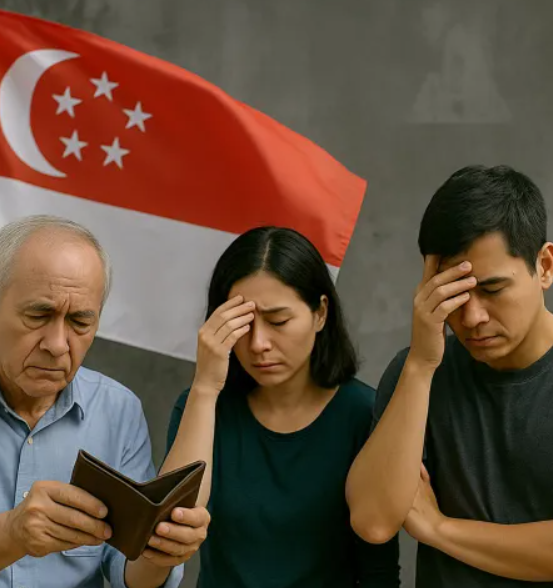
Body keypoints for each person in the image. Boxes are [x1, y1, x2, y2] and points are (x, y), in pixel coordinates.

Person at [346, 165, 553, 587]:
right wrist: (420, 366)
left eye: (492, 290)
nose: (473, 317)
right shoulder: (416, 371)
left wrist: (439, 528)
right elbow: (373, 522)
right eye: (455, 295)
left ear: (544, 265)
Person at [0, 215, 208, 588]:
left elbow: (127, 572)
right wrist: (10, 534)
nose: (57, 345)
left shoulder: (118, 411)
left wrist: (159, 552)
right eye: (38, 315)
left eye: (80, 322)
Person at [162, 226, 400, 588]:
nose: (259, 343)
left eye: (278, 322)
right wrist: (205, 388)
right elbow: (169, 530)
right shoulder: (202, 408)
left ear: (320, 313)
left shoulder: (364, 415)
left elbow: (378, 572)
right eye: (242, 325)